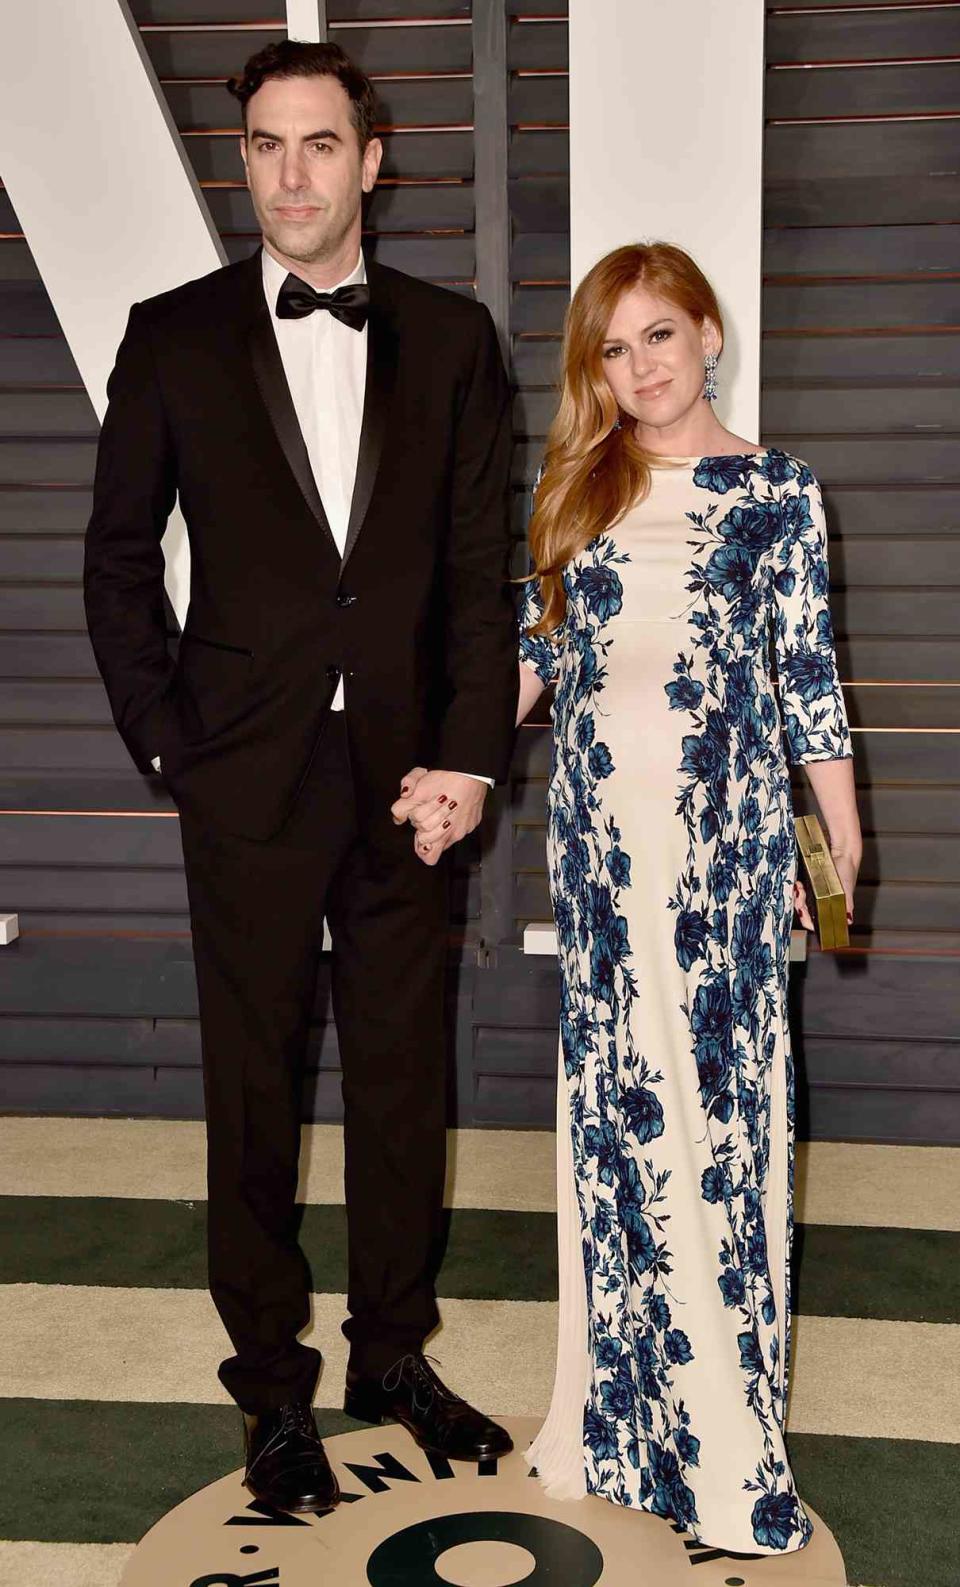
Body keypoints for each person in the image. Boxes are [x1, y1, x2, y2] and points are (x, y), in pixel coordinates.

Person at [83, 39, 517, 1514]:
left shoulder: (456, 343)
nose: (290, 175)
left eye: (319, 145)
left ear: (371, 160)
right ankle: (272, 1391)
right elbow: (116, 561)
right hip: (245, 780)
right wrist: (169, 747)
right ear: (243, 160)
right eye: (265, 145)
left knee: (404, 1086)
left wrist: (469, 756)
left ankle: (393, 1356)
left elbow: (478, 574)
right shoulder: (174, 335)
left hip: (413, 786)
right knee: (253, 1094)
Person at [514, 242, 861, 1553]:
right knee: (618, 1129)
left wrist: (840, 834)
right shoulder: (576, 488)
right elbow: (534, 667)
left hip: (725, 855)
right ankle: (618, 1425)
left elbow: (806, 673)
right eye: (614, 346)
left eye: (661, 334)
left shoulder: (776, 489)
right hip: (602, 855)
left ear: (710, 333)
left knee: (723, 1137)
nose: (641, 365)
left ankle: (727, 1448)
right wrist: (449, 765)